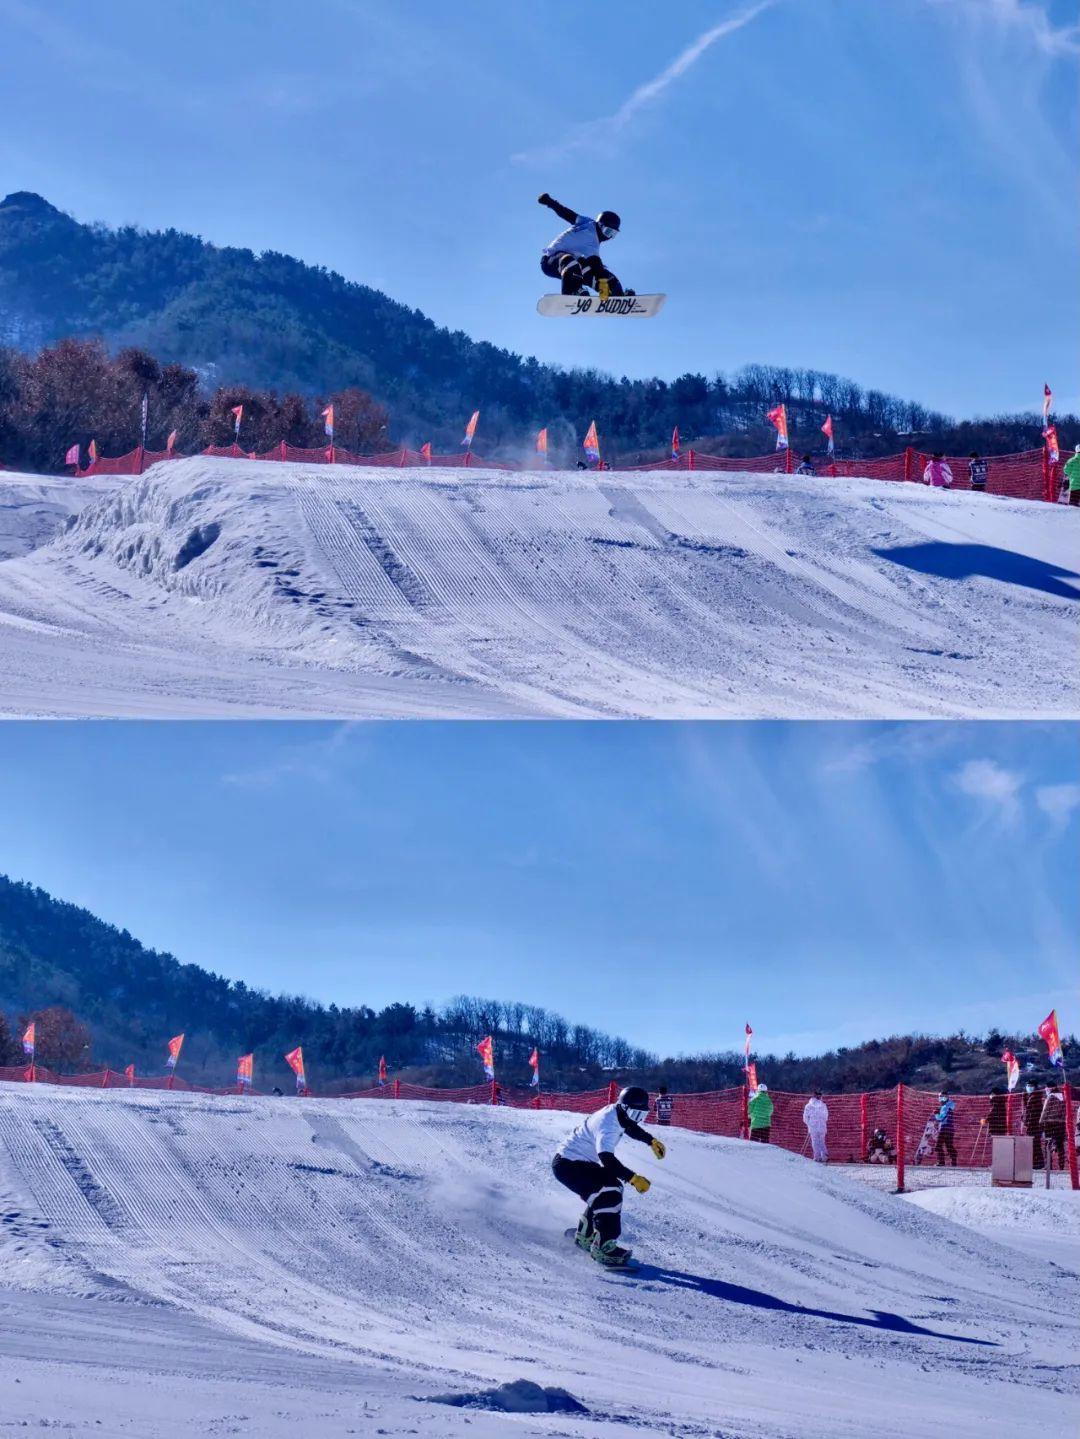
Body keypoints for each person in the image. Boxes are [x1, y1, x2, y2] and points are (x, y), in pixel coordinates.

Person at [551, 1084, 665, 1267]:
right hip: (568, 1166)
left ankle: (585, 1235)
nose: (637, 1120)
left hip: (571, 1162)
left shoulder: (619, 1112)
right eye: (636, 1115)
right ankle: (603, 1247)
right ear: (625, 1108)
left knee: (606, 1190)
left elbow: (629, 1126)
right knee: (610, 1190)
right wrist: (633, 1178)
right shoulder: (608, 1125)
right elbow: (607, 1160)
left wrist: (650, 1140)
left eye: (641, 1115)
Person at [538, 194, 631, 298]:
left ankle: (617, 293)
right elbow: (566, 213)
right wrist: (550, 202)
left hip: (572, 265)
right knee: (572, 262)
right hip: (550, 261)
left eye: (612, 234)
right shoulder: (587, 224)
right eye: (608, 231)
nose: (608, 236)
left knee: (592, 270)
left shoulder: (593, 241)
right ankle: (572, 291)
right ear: (600, 225)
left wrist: (607, 281)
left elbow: (597, 269)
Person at [1040, 1082, 1067, 1170]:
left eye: (1046, 1088)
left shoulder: (1050, 1096)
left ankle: (1048, 1165)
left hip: (1049, 1123)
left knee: (1048, 1144)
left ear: (1050, 1088)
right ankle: (1061, 1166)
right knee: (1060, 1146)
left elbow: (1045, 1111)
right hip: (1061, 1123)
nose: (1046, 1089)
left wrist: (1041, 1122)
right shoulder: (1063, 1096)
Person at [802, 1090, 829, 1162]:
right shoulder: (823, 1105)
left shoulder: (808, 1106)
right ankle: (824, 1156)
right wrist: (822, 1122)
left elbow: (805, 1118)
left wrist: (809, 1124)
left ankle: (817, 1157)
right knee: (822, 1141)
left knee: (814, 1142)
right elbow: (826, 1117)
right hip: (822, 1126)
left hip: (813, 1127)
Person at [1024, 1082, 1045, 1169]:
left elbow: (1032, 1113)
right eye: (1028, 1086)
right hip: (1034, 1125)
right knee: (1035, 1145)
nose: (1029, 1088)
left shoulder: (1034, 1098)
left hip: (1033, 1125)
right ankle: (1037, 1163)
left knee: (1034, 1144)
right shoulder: (1032, 1097)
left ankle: (1037, 1163)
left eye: (1031, 1086)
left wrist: (1027, 1122)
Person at [934, 1092, 957, 1166]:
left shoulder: (945, 1107)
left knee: (938, 1146)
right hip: (950, 1129)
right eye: (940, 1097)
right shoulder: (950, 1105)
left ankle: (941, 1162)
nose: (941, 1099)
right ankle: (954, 1161)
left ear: (947, 1097)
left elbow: (941, 1118)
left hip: (944, 1128)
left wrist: (936, 1114)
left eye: (943, 1097)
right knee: (949, 1145)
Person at [1065, 444, 1080, 508]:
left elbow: (1066, 470)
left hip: (1074, 486)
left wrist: (1071, 474)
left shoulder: (1071, 461)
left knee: (1073, 506)